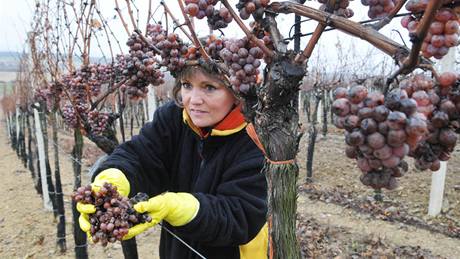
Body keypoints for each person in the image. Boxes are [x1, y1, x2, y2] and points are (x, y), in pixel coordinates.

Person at [77, 63, 268, 259]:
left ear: (238, 92)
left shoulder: (257, 138)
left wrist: (179, 207)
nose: (193, 100)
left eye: (209, 88)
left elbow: (242, 215)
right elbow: (142, 155)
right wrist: (114, 178)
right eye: (186, 85)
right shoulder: (174, 118)